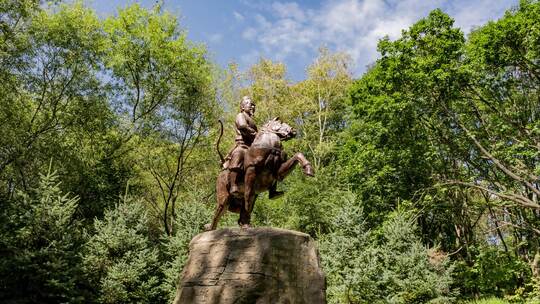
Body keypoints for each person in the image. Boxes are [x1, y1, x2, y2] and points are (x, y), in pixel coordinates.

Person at [225, 96, 283, 199]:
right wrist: (256, 134)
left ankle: (272, 190)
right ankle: (233, 185)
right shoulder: (240, 115)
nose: (252, 106)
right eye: (250, 104)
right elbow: (242, 126)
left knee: (271, 158)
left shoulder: (253, 121)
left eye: (253, 105)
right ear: (242, 107)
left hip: (252, 146)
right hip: (242, 144)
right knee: (239, 153)